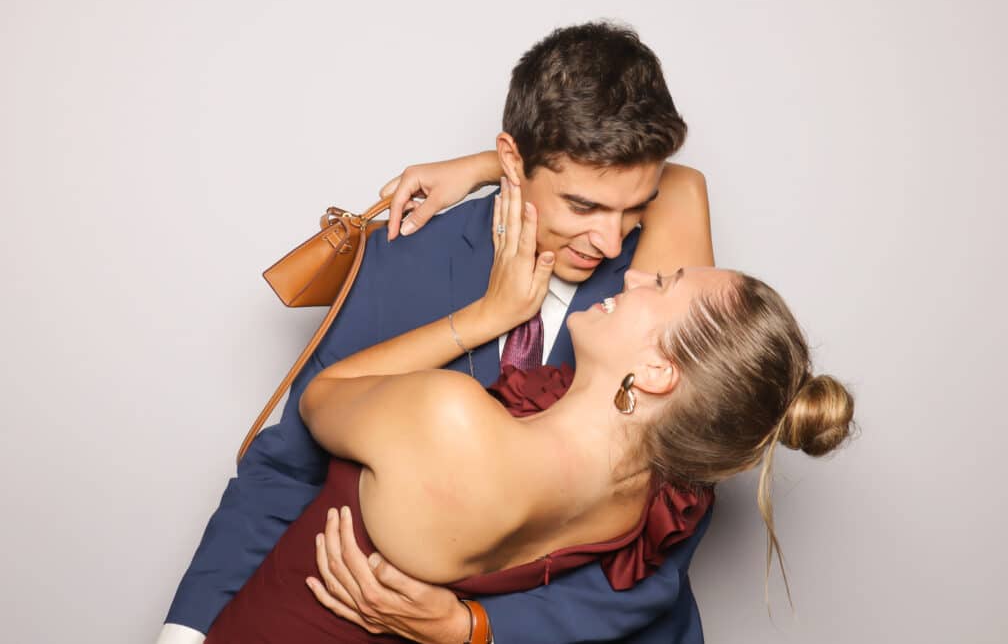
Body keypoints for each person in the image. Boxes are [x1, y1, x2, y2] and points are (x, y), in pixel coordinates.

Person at [160, 21, 716, 644]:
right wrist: (185, 632)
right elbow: (291, 465)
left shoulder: (659, 285)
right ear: (516, 159)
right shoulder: (403, 256)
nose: (611, 241)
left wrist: (476, 626)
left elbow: (672, 530)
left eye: (635, 206)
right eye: (583, 206)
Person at [202, 180, 855, 643]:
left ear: (658, 373)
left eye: (661, 285)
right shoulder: (650, 489)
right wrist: (512, 164)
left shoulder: (451, 422)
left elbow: (321, 397)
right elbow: (679, 186)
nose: (632, 271)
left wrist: (486, 316)